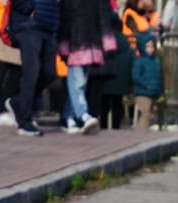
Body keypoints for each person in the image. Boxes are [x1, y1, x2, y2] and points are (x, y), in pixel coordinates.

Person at [6, 0, 60, 136]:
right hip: (28, 25)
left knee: (49, 74)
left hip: (48, 26)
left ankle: (18, 102)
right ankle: (24, 122)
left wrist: (57, 22)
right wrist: (29, 10)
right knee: (31, 72)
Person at [57, 0, 112, 133]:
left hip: (87, 40)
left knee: (81, 81)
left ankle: (68, 116)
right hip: (76, 40)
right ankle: (82, 114)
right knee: (78, 81)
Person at [95, 8, 132, 130]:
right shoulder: (127, 44)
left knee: (104, 106)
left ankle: (103, 127)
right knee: (117, 105)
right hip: (121, 81)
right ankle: (116, 128)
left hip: (105, 77)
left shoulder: (104, 41)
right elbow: (131, 62)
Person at [129, 29, 161, 129]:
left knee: (150, 115)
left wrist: (159, 88)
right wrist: (146, 84)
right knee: (145, 114)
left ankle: (144, 131)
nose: (150, 49)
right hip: (143, 92)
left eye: (152, 46)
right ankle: (141, 132)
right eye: (148, 46)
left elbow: (158, 76)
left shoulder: (155, 61)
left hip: (153, 92)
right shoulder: (140, 61)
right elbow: (135, 76)